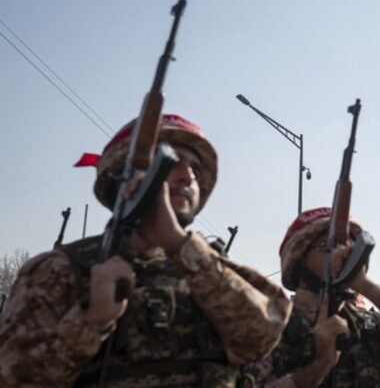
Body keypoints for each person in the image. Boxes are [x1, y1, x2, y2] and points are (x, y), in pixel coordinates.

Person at [0, 114, 292, 386]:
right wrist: (91, 322)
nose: (187, 175)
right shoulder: (60, 270)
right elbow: (11, 377)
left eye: (195, 167)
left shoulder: (211, 271)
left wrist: (179, 244)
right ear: (125, 177)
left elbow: (264, 335)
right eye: (170, 161)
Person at [246, 206, 380, 387]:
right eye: (327, 246)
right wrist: (316, 369)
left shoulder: (371, 329)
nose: (341, 254)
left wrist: (365, 285)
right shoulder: (267, 326)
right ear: (298, 260)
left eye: (350, 247)